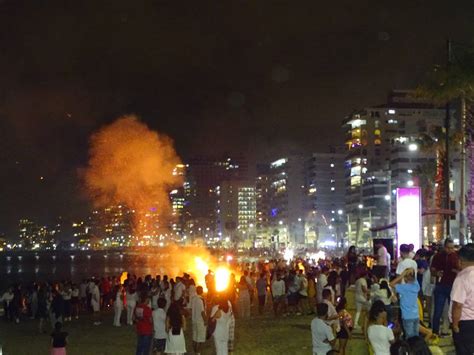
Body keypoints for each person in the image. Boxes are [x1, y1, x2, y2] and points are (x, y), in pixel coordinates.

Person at [431, 238, 460, 336]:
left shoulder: (456, 256)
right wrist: (436, 273)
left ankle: (453, 330)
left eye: (452, 248)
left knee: (453, 310)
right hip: (441, 286)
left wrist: (457, 272)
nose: (450, 250)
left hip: (453, 286)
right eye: (448, 248)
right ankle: (435, 332)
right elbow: (432, 270)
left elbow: (460, 269)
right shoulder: (438, 256)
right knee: (438, 311)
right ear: (444, 247)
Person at [450, 243, 474, 355]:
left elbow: (458, 305)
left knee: (464, 351)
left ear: (461, 260)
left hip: (465, 323)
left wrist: (455, 325)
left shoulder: (462, 277)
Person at [391, 268, 420, 338]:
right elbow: (413, 277)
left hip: (407, 316)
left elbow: (391, 284)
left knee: (410, 338)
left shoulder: (404, 288)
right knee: (416, 337)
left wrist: (402, 274)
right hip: (416, 315)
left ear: (406, 278)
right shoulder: (416, 286)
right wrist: (410, 272)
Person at [190, 286, 206, 355]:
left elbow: (191, 309)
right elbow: (202, 312)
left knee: (195, 337)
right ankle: (198, 353)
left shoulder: (193, 299)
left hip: (194, 320)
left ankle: (195, 351)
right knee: (201, 339)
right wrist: (205, 320)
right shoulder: (200, 300)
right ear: (202, 291)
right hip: (200, 321)